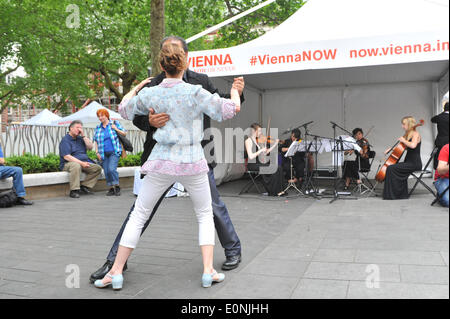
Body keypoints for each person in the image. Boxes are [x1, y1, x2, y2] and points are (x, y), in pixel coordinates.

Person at [89, 36, 244, 283]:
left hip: (161, 160)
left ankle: (115, 271)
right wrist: (236, 93)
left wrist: (135, 88)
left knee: (139, 213)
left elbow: (124, 109)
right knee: (204, 214)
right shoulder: (195, 91)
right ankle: (207, 271)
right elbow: (228, 109)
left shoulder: (152, 91)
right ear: (184, 61)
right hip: (192, 160)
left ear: (163, 63)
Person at [59, 120, 102, 198]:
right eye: (77, 127)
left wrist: (83, 135)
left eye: (80, 128)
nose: (79, 129)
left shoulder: (80, 138)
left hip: (83, 162)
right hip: (68, 164)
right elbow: (67, 156)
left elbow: (90, 147)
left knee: (97, 168)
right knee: (76, 165)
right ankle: (74, 190)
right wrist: (81, 163)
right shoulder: (65, 140)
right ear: (71, 128)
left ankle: (84, 187)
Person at [383, 116, 422, 200]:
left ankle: (395, 195)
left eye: (404, 124)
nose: (402, 126)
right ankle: (399, 194)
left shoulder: (416, 134)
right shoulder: (408, 135)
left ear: (409, 124)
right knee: (391, 168)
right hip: (408, 162)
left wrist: (404, 140)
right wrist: (391, 149)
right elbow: (401, 148)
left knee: (391, 168)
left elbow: (413, 145)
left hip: (414, 163)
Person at [245, 123, 286, 196]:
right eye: (259, 131)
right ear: (254, 131)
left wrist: (275, 144)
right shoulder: (248, 141)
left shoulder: (257, 141)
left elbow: (266, 152)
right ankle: (274, 191)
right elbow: (251, 156)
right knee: (273, 168)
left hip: (259, 163)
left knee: (278, 167)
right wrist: (260, 150)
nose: (261, 133)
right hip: (252, 165)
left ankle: (280, 190)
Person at [93, 109, 127, 196]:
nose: (100, 118)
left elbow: (124, 133)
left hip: (114, 151)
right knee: (107, 171)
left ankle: (117, 186)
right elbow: (96, 141)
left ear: (107, 115)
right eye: (99, 116)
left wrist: (116, 129)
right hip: (103, 153)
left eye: (102, 115)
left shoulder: (114, 124)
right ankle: (111, 188)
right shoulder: (98, 128)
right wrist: (97, 152)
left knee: (112, 169)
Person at [431, 102, 449, 169]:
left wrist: (442, 113)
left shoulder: (439, 117)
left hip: (440, 141)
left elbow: (432, 120)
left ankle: (438, 173)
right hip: (448, 142)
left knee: (439, 157)